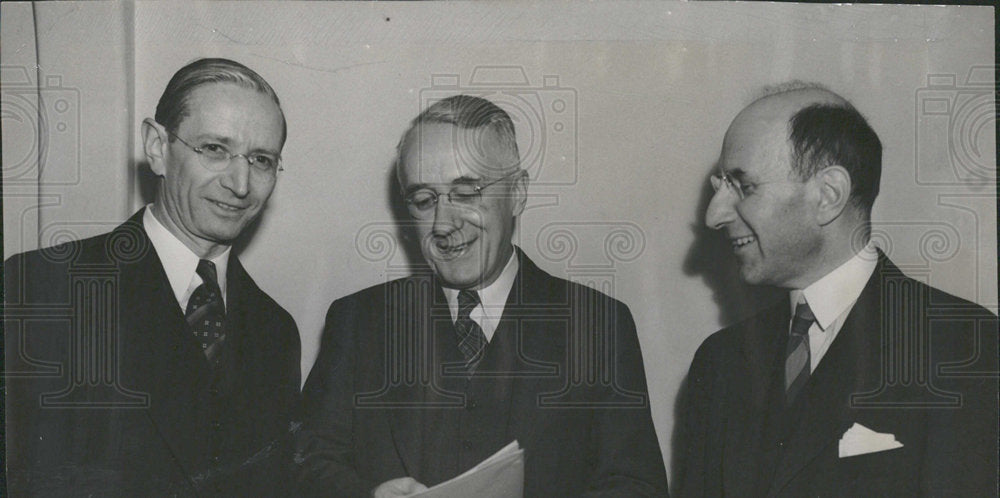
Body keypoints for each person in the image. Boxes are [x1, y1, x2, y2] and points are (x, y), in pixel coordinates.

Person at [295, 95, 668, 497]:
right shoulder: (358, 320)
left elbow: (636, 486)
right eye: (424, 200)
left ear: (518, 193)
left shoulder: (598, 325)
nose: (443, 224)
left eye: (467, 192)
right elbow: (307, 463)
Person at [677, 82, 998, 497]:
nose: (714, 214)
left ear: (829, 195)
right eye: (719, 186)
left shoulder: (966, 347)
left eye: (743, 186)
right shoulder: (718, 362)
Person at [3, 58, 301, 496]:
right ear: (158, 147)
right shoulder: (41, 287)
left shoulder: (276, 329)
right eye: (215, 149)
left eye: (261, 159)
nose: (240, 183)